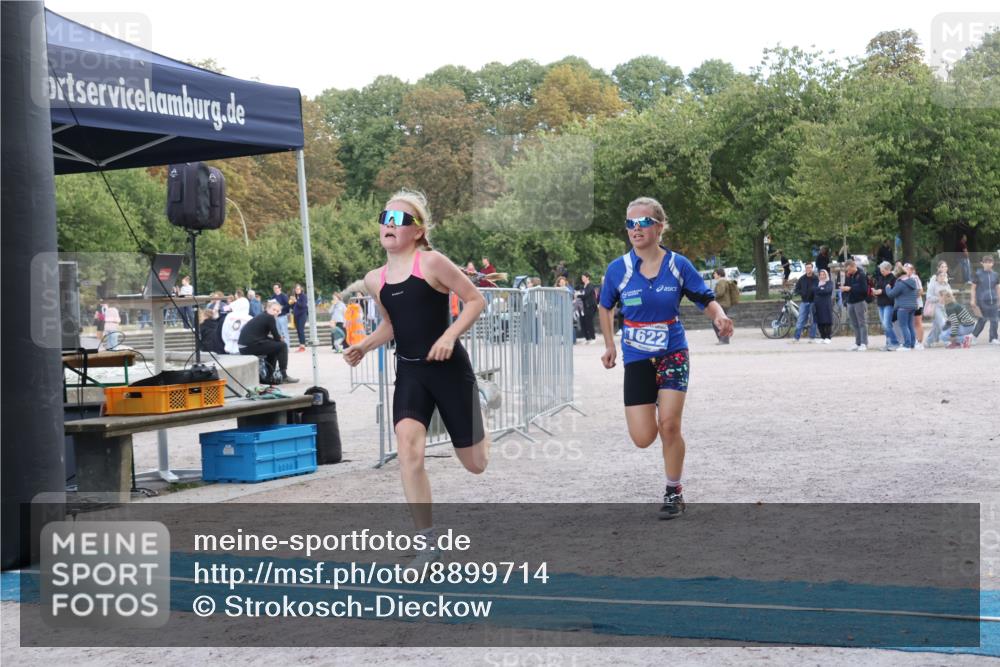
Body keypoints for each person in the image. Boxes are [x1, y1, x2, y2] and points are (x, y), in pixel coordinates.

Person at [343, 190, 490, 560]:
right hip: (410, 373)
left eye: (399, 220)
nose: (389, 226)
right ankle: (426, 543)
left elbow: (476, 300)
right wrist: (364, 345)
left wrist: (449, 336)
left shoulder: (432, 262)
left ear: (418, 231)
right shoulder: (374, 279)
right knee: (408, 448)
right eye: (385, 218)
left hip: (449, 370)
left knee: (476, 465)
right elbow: (391, 326)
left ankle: (481, 401)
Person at [597, 196, 732, 520]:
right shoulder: (619, 270)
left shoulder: (678, 265)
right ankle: (653, 421)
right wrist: (609, 344)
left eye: (643, 222)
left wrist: (720, 316)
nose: (636, 229)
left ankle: (674, 491)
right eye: (630, 224)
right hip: (637, 358)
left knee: (669, 425)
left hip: (673, 352)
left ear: (659, 227)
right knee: (643, 437)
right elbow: (605, 306)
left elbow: (704, 298)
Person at [238, 300, 299, 384]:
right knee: (283, 346)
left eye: (277, 311)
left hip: (245, 346)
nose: (275, 312)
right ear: (268, 309)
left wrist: (275, 339)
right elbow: (276, 337)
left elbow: (263, 336)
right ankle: (284, 375)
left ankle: (269, 377)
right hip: (250, 346)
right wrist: (279, 339)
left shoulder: (262, 316)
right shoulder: (269, 317)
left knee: (273, 348)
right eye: (274, 310)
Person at [885, 262, 918, 350]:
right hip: (913, 306)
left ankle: (906, 345)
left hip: (903, 307)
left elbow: (891, 294)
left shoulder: (900, 283)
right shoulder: (912, 281)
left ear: (897, 275)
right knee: (910, 325)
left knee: (904, 326)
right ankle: (912, 344)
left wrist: (887, 288)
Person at [840, 259, 869, 351]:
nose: (848, 271)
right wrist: (845, 297)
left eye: (849, 269)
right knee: (854, 324)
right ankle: (858, 343)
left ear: (853, 266)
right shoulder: (849, 275)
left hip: (859, 301)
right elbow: (846, 286)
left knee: (862, 323)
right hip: (850, 302)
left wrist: (850, 288)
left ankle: (864, 343)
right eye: (847, 270)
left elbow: (864, 289)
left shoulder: (861, 275)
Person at [971, 254, 999, 344]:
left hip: (994, 300)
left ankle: (993, 338)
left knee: (995, 320)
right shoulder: (978, 274)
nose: (987, 264)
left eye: (989, 262)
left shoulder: (996, 275)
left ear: (993, 264)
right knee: (982, 320)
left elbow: (998, 287)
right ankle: (974, 337)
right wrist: (972, 300)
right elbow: (973, 288)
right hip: (982, 301)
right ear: (982, 263)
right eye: (985, 262)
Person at [872, 261, 900, 351]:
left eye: (882, 270)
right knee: (885, 325)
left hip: (889, 303)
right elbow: (878, 287)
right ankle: (888, 343)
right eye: (880, 270)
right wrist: (875, 291)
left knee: (886, 324)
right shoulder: (880, 277)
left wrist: (882, 291)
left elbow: (893, 291)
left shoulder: (893, 278)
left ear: (888, 269)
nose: (881, 271)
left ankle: (895, 342)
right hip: (880, 303)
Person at [790, 262, 819, 343]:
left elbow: (818, 289)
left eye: (809, 268)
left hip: (813, 302)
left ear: (812, 268)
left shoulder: (816, 278)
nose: (808, 269)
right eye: (807, 268)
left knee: (813, 320)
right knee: (800, 320)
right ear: (805, 269)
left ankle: (812, 338)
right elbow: (797, 289)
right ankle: (796, 338)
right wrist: (801, 292)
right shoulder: (802, 278)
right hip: (804, 302)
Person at [924, 262, 950, 347]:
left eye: (945, 266)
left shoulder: (946, 282)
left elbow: (949, 293)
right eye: (942, 267)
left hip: (943, 306)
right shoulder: (933, 281)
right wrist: (939, 298)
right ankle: (947, 341)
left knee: (937, 326)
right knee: (943, 323)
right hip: (935, 307)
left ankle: (929, 341)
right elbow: (929, 296)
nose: (944, 268)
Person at [711, 268, 739, 344]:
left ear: (719, 274)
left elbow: (720, 293)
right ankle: (723, 339)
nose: (714, 275)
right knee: (721, 322)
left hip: (722, 304)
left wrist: (712, 296)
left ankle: (723, 339)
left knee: (716, 322)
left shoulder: (721, 282)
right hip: (725, 304)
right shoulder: (724, 281)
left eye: (715, 273)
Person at [813, 269, 834, 343]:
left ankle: (828, 337)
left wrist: (820, 289)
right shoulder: (817, 283)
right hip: (818, 305)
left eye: (823, 274)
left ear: (826, 275)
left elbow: (827, 290)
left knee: (827, 321)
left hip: (826, 304)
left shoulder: (829, 283)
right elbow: (814, 290)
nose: (822, 276)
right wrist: (820, 288)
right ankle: (823, 337)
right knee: (820, 321)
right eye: (820, 275)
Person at [579, 273, 599, 344]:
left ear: (587, 278)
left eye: (583, 277)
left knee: (589, 322)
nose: (582, 278)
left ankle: (593, 338)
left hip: (590, 306)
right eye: (582, 277)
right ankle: (587, 338)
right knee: (584, 322)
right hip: (585, 307)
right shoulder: (584, 286)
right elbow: (583, 294)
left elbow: (586, 295)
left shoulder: (590, 285)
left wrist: (577, 295)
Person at [291, 283, 309, 352]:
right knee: (298, 331)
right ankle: (301, 345)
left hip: (302, 315)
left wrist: (296, 301)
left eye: (298, 289)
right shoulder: (296, 296)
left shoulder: (303, 296)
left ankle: (303, 346)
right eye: (296, 289)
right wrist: (292, 302)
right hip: (296, 315)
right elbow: (293, 307)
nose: (297, 290)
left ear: (301, 289)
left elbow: (303, 305)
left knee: (301, 330)